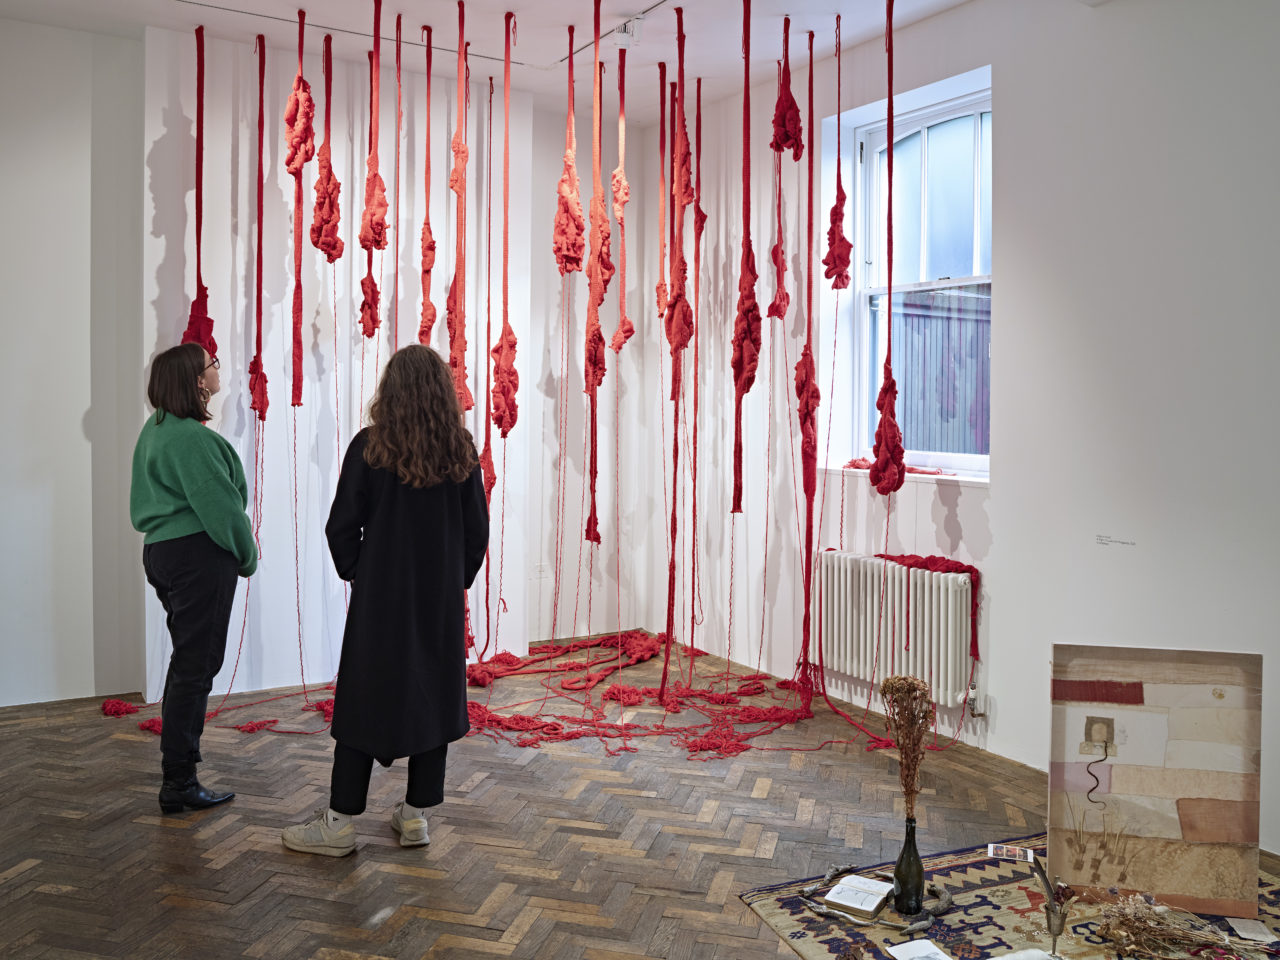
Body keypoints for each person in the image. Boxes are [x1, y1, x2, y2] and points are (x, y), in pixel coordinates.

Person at [283, 344, 488, 857]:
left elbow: (341, 527)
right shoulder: (459, 449)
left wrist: (361, 573)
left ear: (390, 389)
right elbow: (476, 532)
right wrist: (453, 580)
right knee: (432, 698)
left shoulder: (370, 447)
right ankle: (416, 816)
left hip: (381, 601)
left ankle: (338, 822)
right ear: (442, 392)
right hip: (436, 601)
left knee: (364, 700)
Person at [130, 341, 257, 813]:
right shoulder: (191, 438)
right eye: (212, 365)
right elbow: (223, 510)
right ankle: (179, 782)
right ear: (196, 381)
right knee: (195, 668)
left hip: (163, 553)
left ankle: (180, 773)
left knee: (188, 664)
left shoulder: (156, 429)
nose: (218, 369)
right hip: (198, 555)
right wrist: (247, 557)